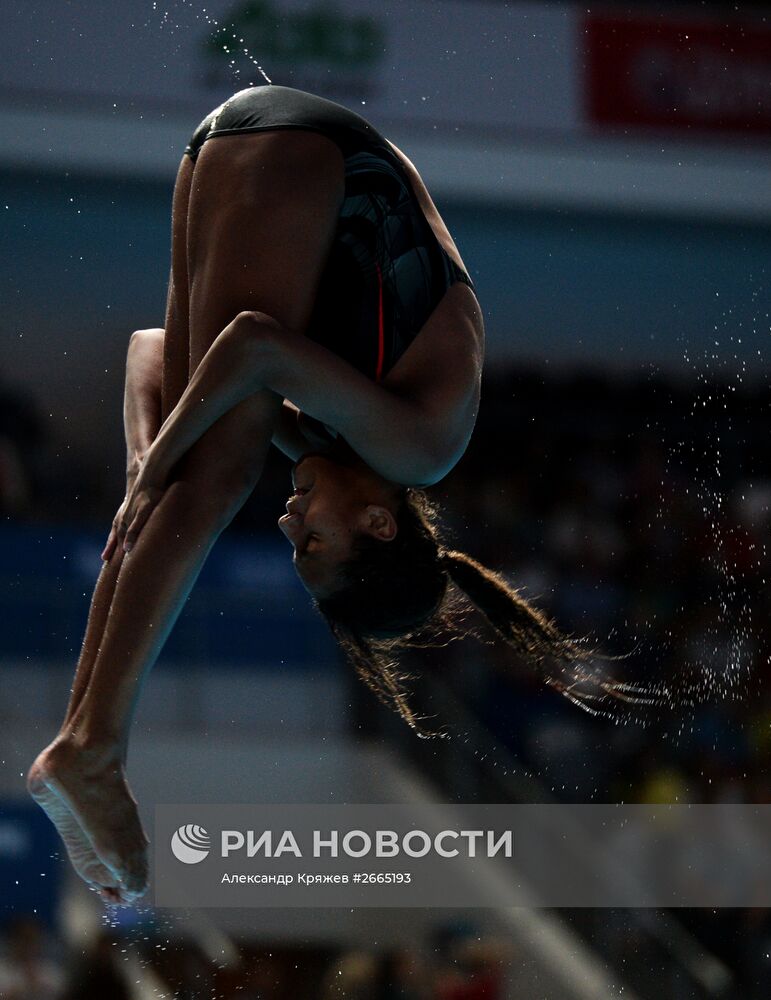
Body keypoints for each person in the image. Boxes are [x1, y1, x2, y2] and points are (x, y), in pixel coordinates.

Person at [26, 84, 643, 906]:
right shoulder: (418, 450)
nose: (289, 522)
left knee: (188, 469)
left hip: (258, 148)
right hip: (311, 156)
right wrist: (164, 461)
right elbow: (250, 342)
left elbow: (148, 352)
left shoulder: (338, 442)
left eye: (292, 544)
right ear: (378, 523)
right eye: (313, 540)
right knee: (216, 468)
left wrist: (148, 463)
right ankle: (93, 748)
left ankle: (82, 739)